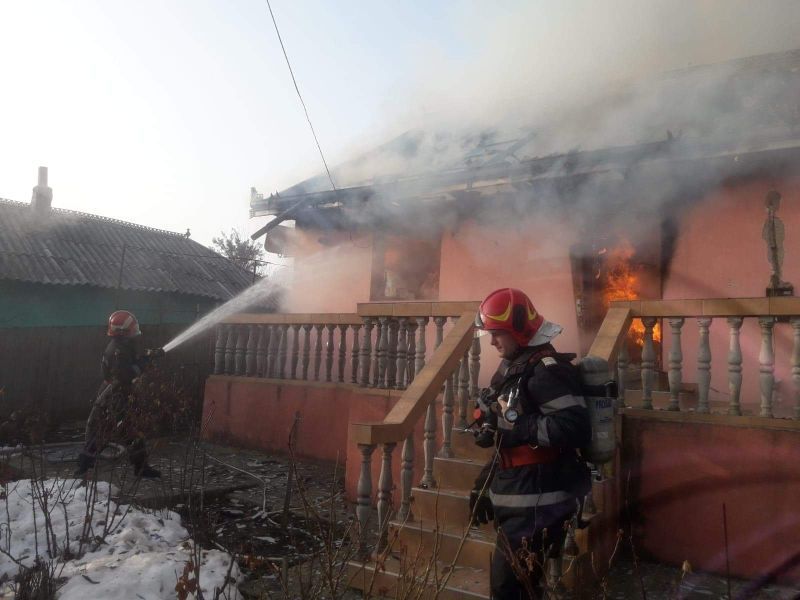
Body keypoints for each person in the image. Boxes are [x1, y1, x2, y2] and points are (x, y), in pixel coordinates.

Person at [469, 288, 591, 599]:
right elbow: (508, 439)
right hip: (519, 495)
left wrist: (517, 425)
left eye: (498, 334)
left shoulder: (547, 370)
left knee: (509, 590)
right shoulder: (514, 366)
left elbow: (574, 428)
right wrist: (484, 484)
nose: (493, 342)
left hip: (538, 504)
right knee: (519, 589)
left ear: (519, 330)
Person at [74, 310, 163, 479]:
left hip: (120, 393)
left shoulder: (123, 346)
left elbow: (130, 365)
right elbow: (126, 375)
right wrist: (145, 362)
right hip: (115, 396)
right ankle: (82, 468)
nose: (135, 331)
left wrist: (148, 356)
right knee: (102, 432)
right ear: (122, 331)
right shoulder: (118, 350)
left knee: (132, 430)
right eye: (131, 329)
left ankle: (141, 468)